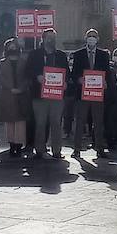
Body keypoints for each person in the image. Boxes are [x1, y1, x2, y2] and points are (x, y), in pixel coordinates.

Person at [26, 28, 68, 159]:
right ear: (43, 39)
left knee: (56, 122)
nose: (51, 40)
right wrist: (36, 77)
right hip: (39, 95)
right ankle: (40, 149)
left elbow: (67, 72)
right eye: (49, 37)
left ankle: (57, 151)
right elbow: (27, 71)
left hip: (57, 95)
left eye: (53, 37)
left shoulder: (61, 55)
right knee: (40, 122)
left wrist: (66, 82)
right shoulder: (34, 54)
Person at [70, 28, 110, 159]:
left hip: (97, 93)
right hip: (83, 93)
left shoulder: (103, 54)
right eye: (89, 36)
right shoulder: (78, 54)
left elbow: (107, 73)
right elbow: (74, 72)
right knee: (80, 121)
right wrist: (78, 79)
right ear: (86, 38)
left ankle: (99, 148)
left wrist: (105, 82)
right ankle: (76, 148)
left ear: (97, 39)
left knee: (98, 121)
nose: (91, 38)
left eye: (94, 36)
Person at [0, 38, 28, 157]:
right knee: (9, 121)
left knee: (20, 122)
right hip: (8, 94)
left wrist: (21, 88)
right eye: (10, 46)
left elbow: (27, 77)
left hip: (21, 94)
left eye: (14, 46)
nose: (12, 48)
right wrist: (11, 88)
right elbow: (0, 78)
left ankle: (19, 146)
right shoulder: (2, 62)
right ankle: (11, 145)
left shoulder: (23, 62)